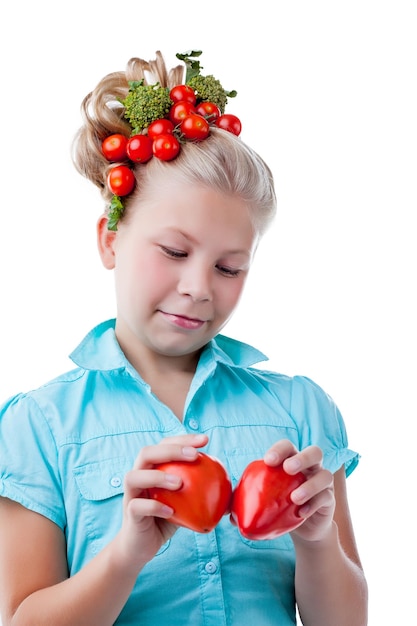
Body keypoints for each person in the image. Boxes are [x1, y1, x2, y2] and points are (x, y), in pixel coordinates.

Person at [0, 50, 368, 626]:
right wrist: (127, 553)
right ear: (110, 240)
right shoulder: (39, 425)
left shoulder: (301, 410)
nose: (199, 288)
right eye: (174, 252)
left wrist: (317, 540)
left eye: (229, 268)